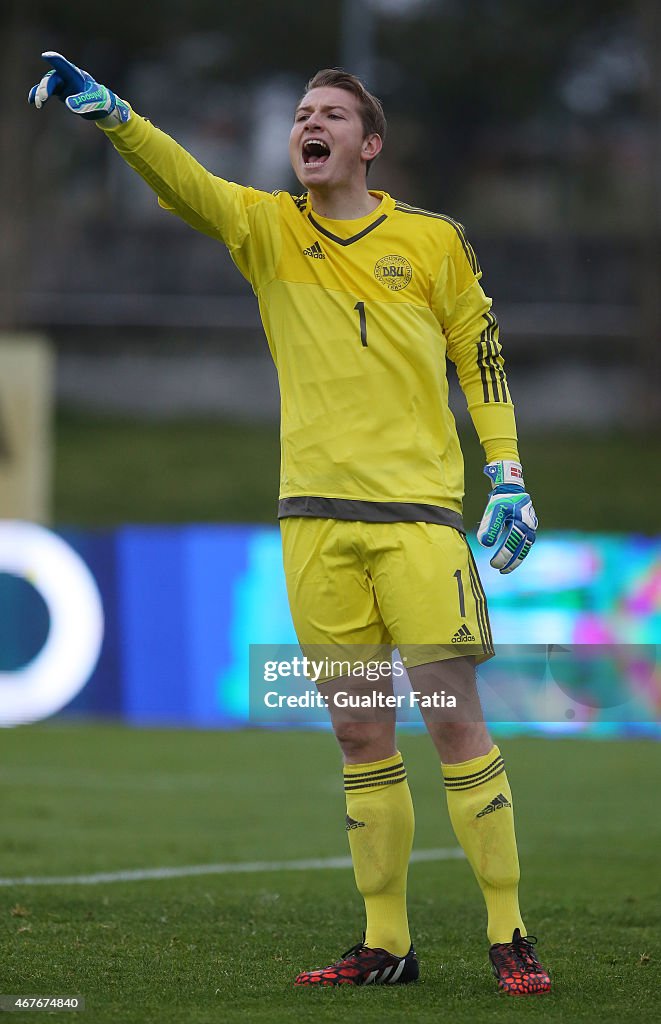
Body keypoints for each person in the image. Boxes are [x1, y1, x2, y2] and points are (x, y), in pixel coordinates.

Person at [29, 52, 548, 995]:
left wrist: (505, 475)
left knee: (452, 725)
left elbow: (481, 356)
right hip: (313, 525)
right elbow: (187, 184)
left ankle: (509, 933)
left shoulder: (432, 242)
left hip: (418, 523)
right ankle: (386, 944)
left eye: (331, 115)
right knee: (360, 737)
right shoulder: (267, 231)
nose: (309, 124)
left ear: (368, 142)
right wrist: (113, 115)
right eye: (302, 112)